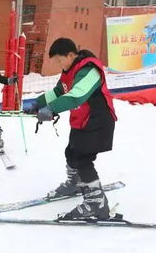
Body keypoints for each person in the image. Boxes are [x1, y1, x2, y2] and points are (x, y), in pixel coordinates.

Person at [25, 38, 117, 220]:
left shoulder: (89, 70)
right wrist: (37, 103)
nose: (59, 65)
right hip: (82, 121)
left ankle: (96, 204)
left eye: (60, 61)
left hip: (98, 122)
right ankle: (75, 184)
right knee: (71, 152)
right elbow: (59, 92)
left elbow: (76, 96)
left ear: (70, 55)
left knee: (83, 160)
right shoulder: (69, 71)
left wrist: (51, 109)